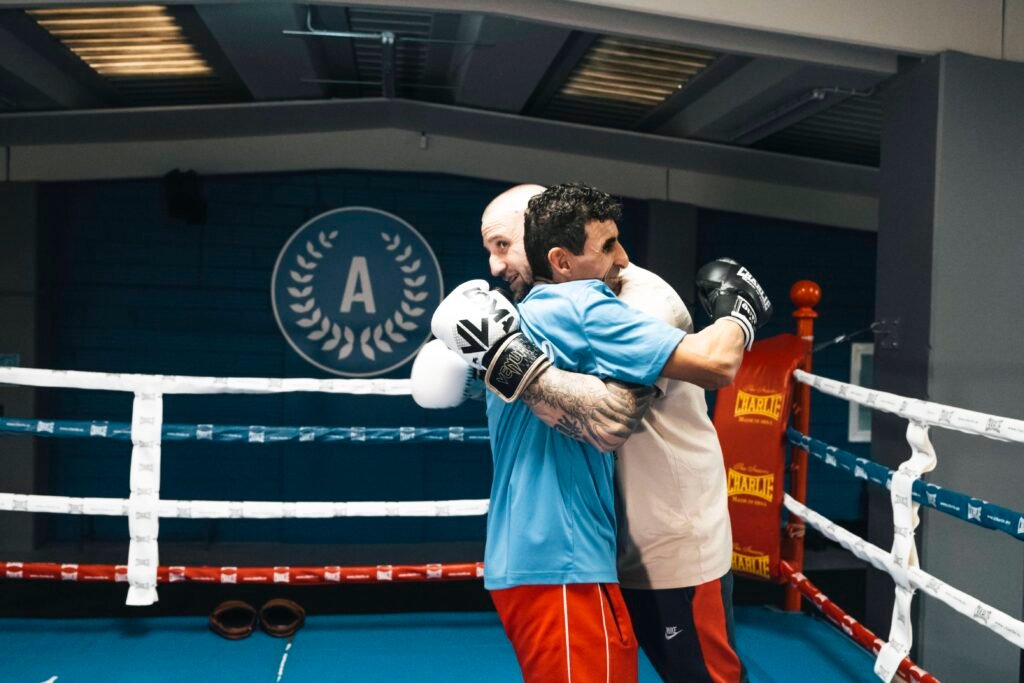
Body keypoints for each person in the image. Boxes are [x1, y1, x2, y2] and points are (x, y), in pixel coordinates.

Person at [427, 183, 770, 682]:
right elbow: (606, 422)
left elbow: (625, 411)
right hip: (573, 554)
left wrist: (511, 364)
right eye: (608, 245)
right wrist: (739, 313)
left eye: (503, 247)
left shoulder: (611, 301)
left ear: (547, 246)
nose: (495, 267)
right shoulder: (516, 315)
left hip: (661, 548)